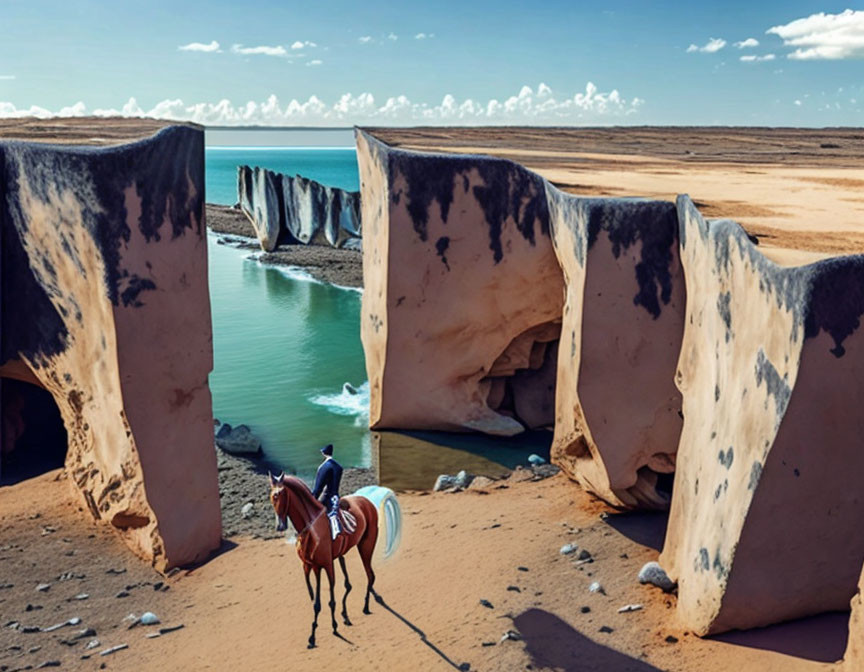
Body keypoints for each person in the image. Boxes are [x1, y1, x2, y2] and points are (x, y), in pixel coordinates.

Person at [312, 444, 344, 539]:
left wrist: (313, 498)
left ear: (323, 453)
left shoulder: (324, 467)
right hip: (335, 496)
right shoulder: (338, 467)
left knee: (313, 515)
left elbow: (319, 487)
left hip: (327, 497)